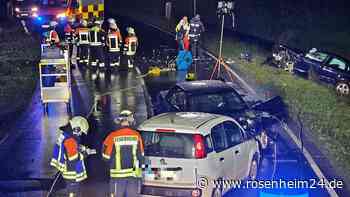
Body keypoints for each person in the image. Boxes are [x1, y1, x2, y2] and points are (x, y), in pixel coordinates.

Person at [50, 116, 96, 197]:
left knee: (72, 191)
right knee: (74, 192)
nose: (80, 134)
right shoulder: (70, 140)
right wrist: (85, 154)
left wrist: (83, 148)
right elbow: (73, 158)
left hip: (68, 170)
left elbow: (73, 147)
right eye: (80, 131)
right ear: (76, 128)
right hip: (72, 172)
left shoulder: (67, 135)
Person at [102, 110, 144, 197]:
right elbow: (141, 156)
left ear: (120, 121)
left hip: (118, 177)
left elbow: (106, 157)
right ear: (130, 121)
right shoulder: (137, 135)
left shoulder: (112, 136)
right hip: (134, 176)